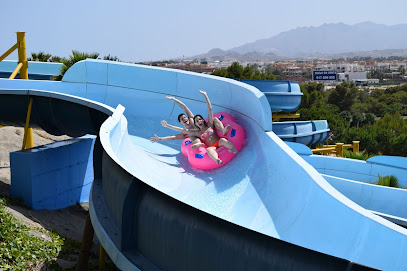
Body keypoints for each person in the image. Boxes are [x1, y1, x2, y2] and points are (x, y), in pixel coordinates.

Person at [163, 90, 237, 165]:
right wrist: (168, 126)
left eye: (200, 120)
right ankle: (217, 160)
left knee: (223, 139)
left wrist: (205, 95)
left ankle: (232, 146)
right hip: (212, 146)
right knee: (208, 149)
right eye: (197, 121)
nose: (199, 121)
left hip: (219, 141)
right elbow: (181, 130)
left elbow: (210, 109)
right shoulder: (197, 133)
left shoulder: (209, 125)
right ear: (196, 124)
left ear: (203, 120)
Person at [150, 95, 230, 145]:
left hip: (208, 132)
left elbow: (184, 107)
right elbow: (174, 137)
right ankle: (198, 145)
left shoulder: (193, 120)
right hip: (202, 139)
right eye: (182, 119)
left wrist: (174, 99)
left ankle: (223, 130)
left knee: (214, 119)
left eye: (185, 117)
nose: (184, 118)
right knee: (192, 137)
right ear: (180, 122)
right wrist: (160, 139)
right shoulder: (185, 132)